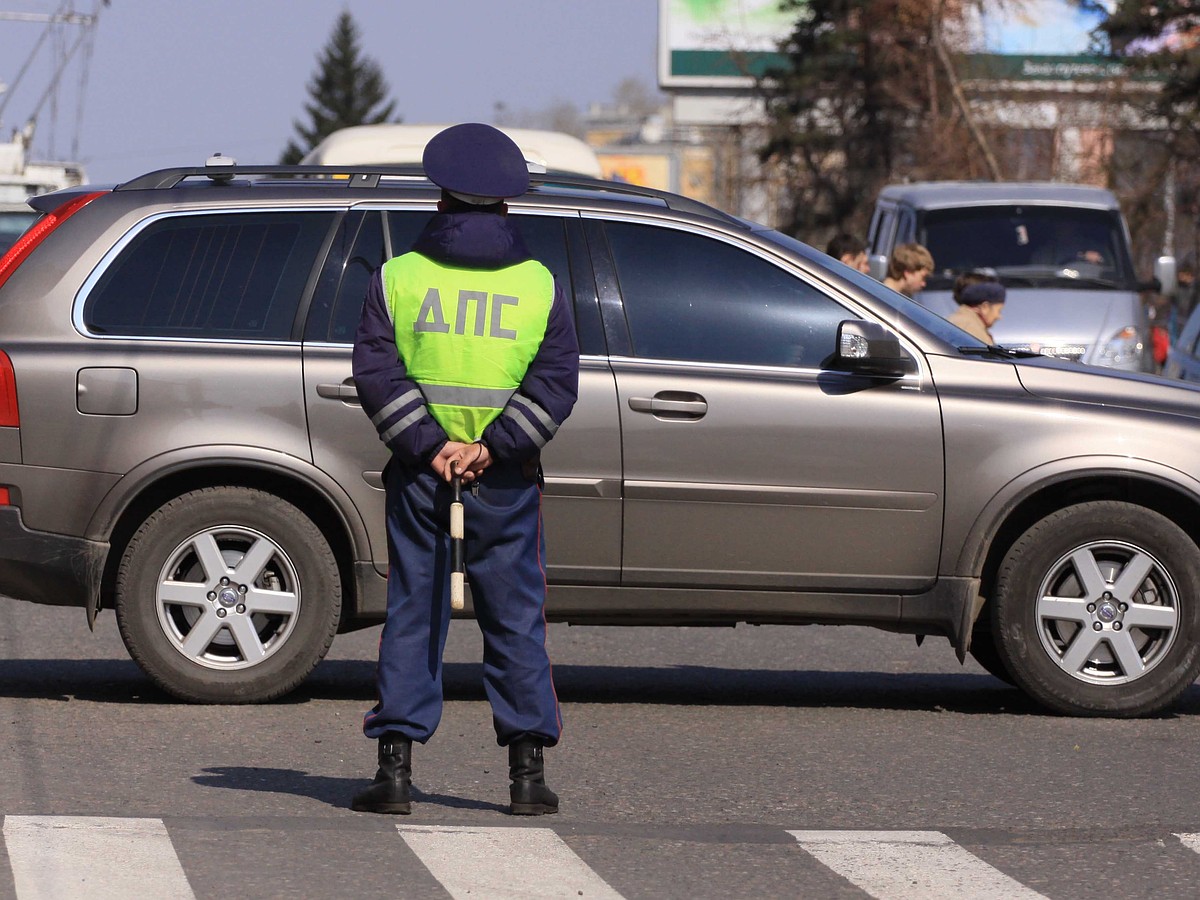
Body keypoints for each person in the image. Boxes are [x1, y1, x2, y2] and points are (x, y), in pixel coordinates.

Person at [350, 123, 580, 817]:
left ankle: (394, 775)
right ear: (507, 205)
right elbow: (556, 382)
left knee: (413, 615)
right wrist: (493, 446)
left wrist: (431, 446)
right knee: (514, 619)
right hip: (504, 482)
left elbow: (376, 375)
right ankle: (527, 779)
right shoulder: (539, 286)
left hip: (421, 478)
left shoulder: (397, 277)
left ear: (441, 199)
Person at [947, 268, 1006, 344]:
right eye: (999, 311)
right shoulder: (970, 330)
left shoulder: (963, 323)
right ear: (985, 307)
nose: (999, 316)